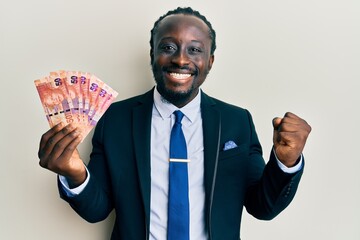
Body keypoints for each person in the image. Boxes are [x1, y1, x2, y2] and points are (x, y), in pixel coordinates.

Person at [38, 7, 312, 240]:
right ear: (152, 55)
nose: (181, 59)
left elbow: (261, 206)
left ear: (210, 61)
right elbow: (97, 209)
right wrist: (74, 173)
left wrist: (286, 163)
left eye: (195, 50)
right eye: (168, 47)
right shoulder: (116, 119)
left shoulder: (236, 122)